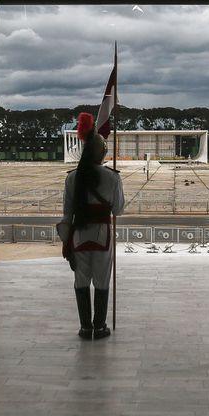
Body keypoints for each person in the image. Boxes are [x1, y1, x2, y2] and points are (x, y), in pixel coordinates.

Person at [63, 112, 125, 340]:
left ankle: (84, 327)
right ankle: (99, 326)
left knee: (81, 281)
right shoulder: (112, 178)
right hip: (102, 236)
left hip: (78, 235)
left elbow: (66, 214)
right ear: (102, 153)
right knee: (101, 281)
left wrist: (66, 243)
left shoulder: (72, 178)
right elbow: (118, 209)